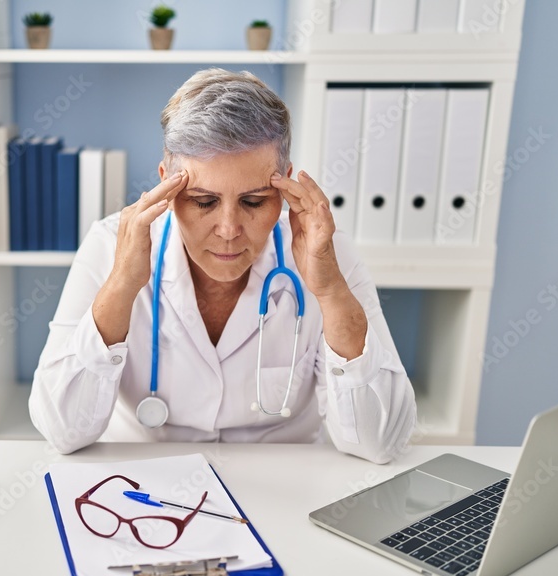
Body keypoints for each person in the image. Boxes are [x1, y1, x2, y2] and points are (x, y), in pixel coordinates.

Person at [28, 68, 416, 463]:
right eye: (203, 201)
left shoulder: (327, 254)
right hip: (146, 488)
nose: (229, 230)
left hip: (284, 490)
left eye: (253, 201)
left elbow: (380, 442)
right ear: (167, 184)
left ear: (284, 187)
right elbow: (62, 431)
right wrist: (121, 286)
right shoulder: (110, 245)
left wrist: (332, 292)